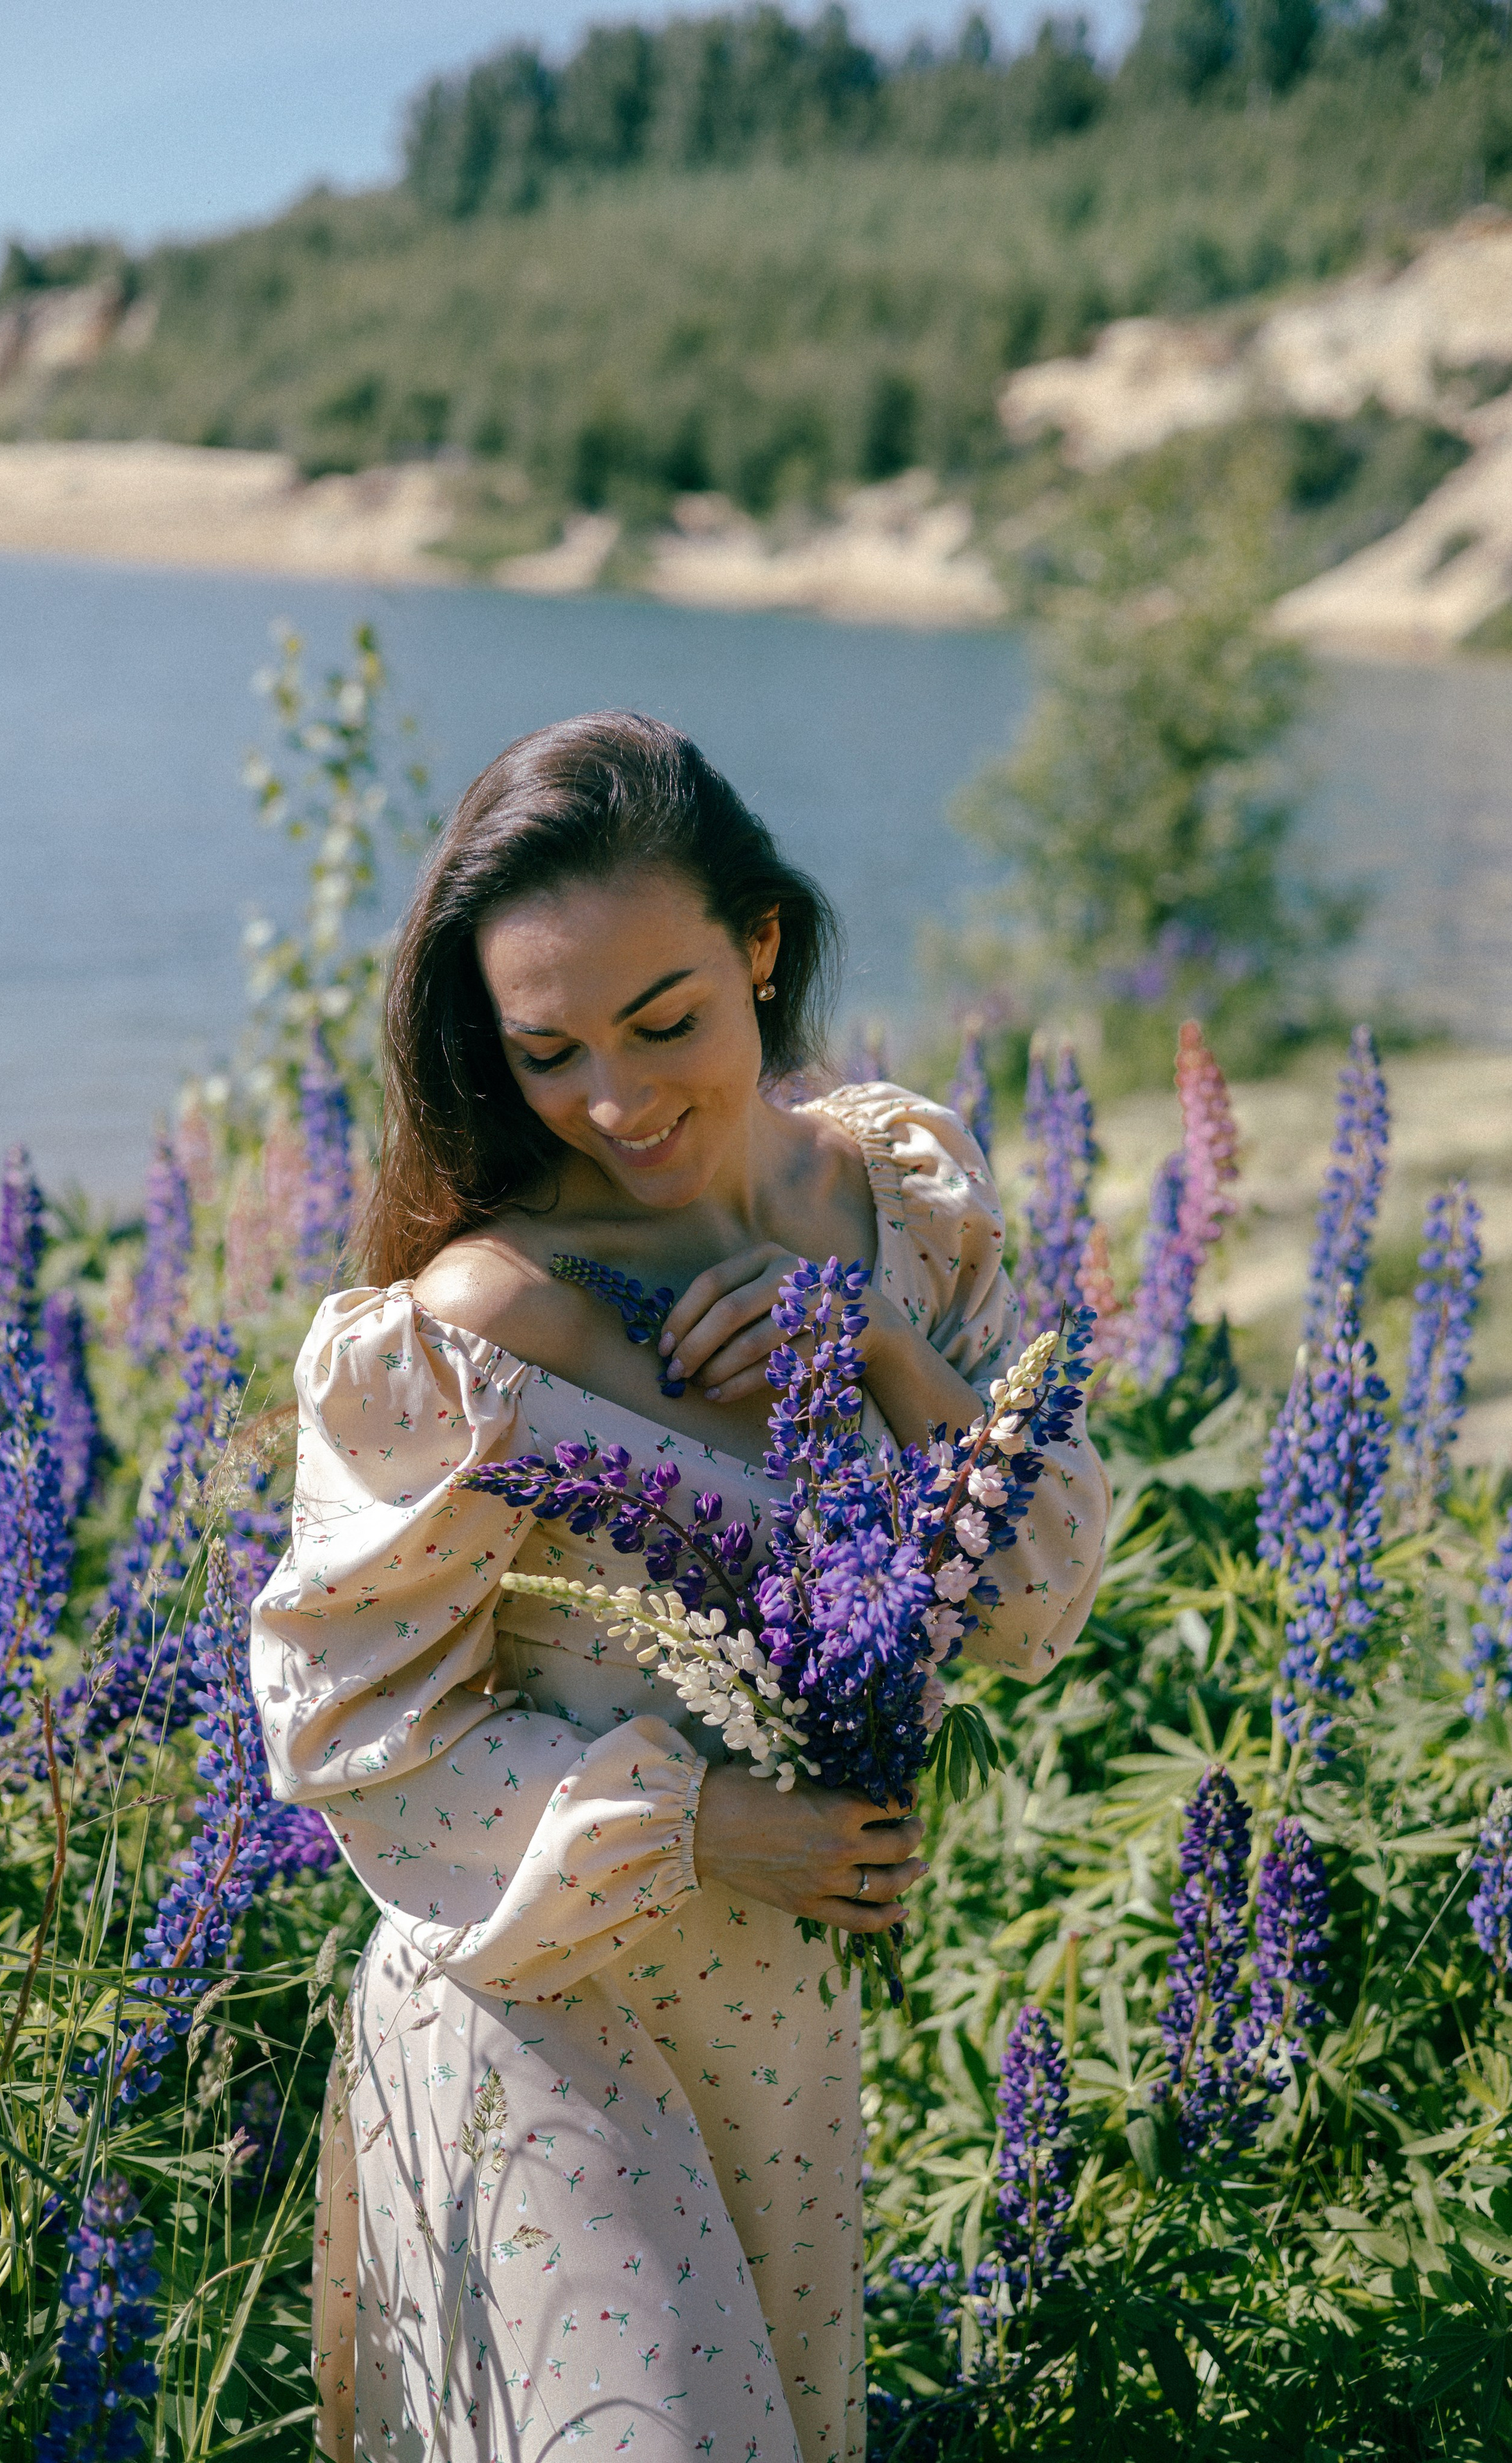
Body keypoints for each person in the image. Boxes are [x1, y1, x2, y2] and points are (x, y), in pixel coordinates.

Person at [251, 713, 1108, 2462]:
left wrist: (874, 1352)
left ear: (762, 948)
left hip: (775, 2031)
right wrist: (706, 1824)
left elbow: (1028, 1603)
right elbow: (351, 1732)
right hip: (534, 2000)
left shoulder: (895, 1204)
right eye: (549, 1052)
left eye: (668, 1024)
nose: (620, 1103)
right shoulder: (471, 1329)